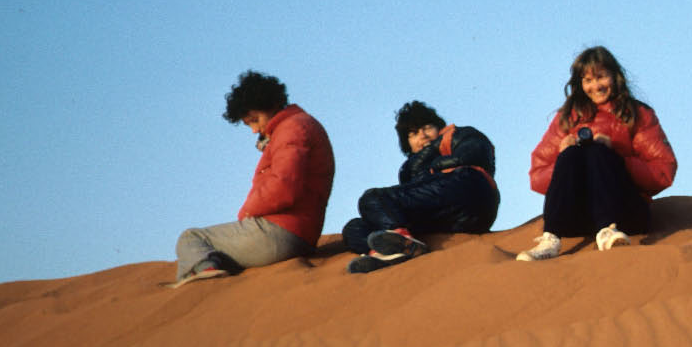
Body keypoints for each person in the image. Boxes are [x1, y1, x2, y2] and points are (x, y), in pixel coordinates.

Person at [171, 70, 335, 286]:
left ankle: (204, 280)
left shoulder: (292, 128)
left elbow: (283, 187)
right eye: (249, 124)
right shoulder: (297, 126)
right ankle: (213, 271)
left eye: (255, 120)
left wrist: (246, 213)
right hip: (300, 233)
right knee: (213, 250)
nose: (254, 129)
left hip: (282, 233)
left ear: (271, 105)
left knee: (192, 239)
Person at [520, 46, 677, 261]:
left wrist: (617, 156)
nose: (596, 86)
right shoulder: (567, 118)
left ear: (615, 76)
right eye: (588, 80)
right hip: (578, 218)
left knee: (597, 153)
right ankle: (550, 239)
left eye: (601, 77)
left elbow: (663, 172)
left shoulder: (637, 114)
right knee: (571, 155)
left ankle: (608, 230)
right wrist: (562, 155)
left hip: (625, 215)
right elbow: (537, 177)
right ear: (580, 83)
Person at [341, 101, 500, 274]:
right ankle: (390, 252)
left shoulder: (456, 134)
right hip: (447, 218)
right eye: (414, 133)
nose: (423, 135)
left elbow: (473, 153)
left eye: (427, 128)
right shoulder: (410, 170)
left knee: (373, 198)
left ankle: (400, 241)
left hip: (468, 189)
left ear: (438, 127)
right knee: (355, 227)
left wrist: (431, 160)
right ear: (407, 143)